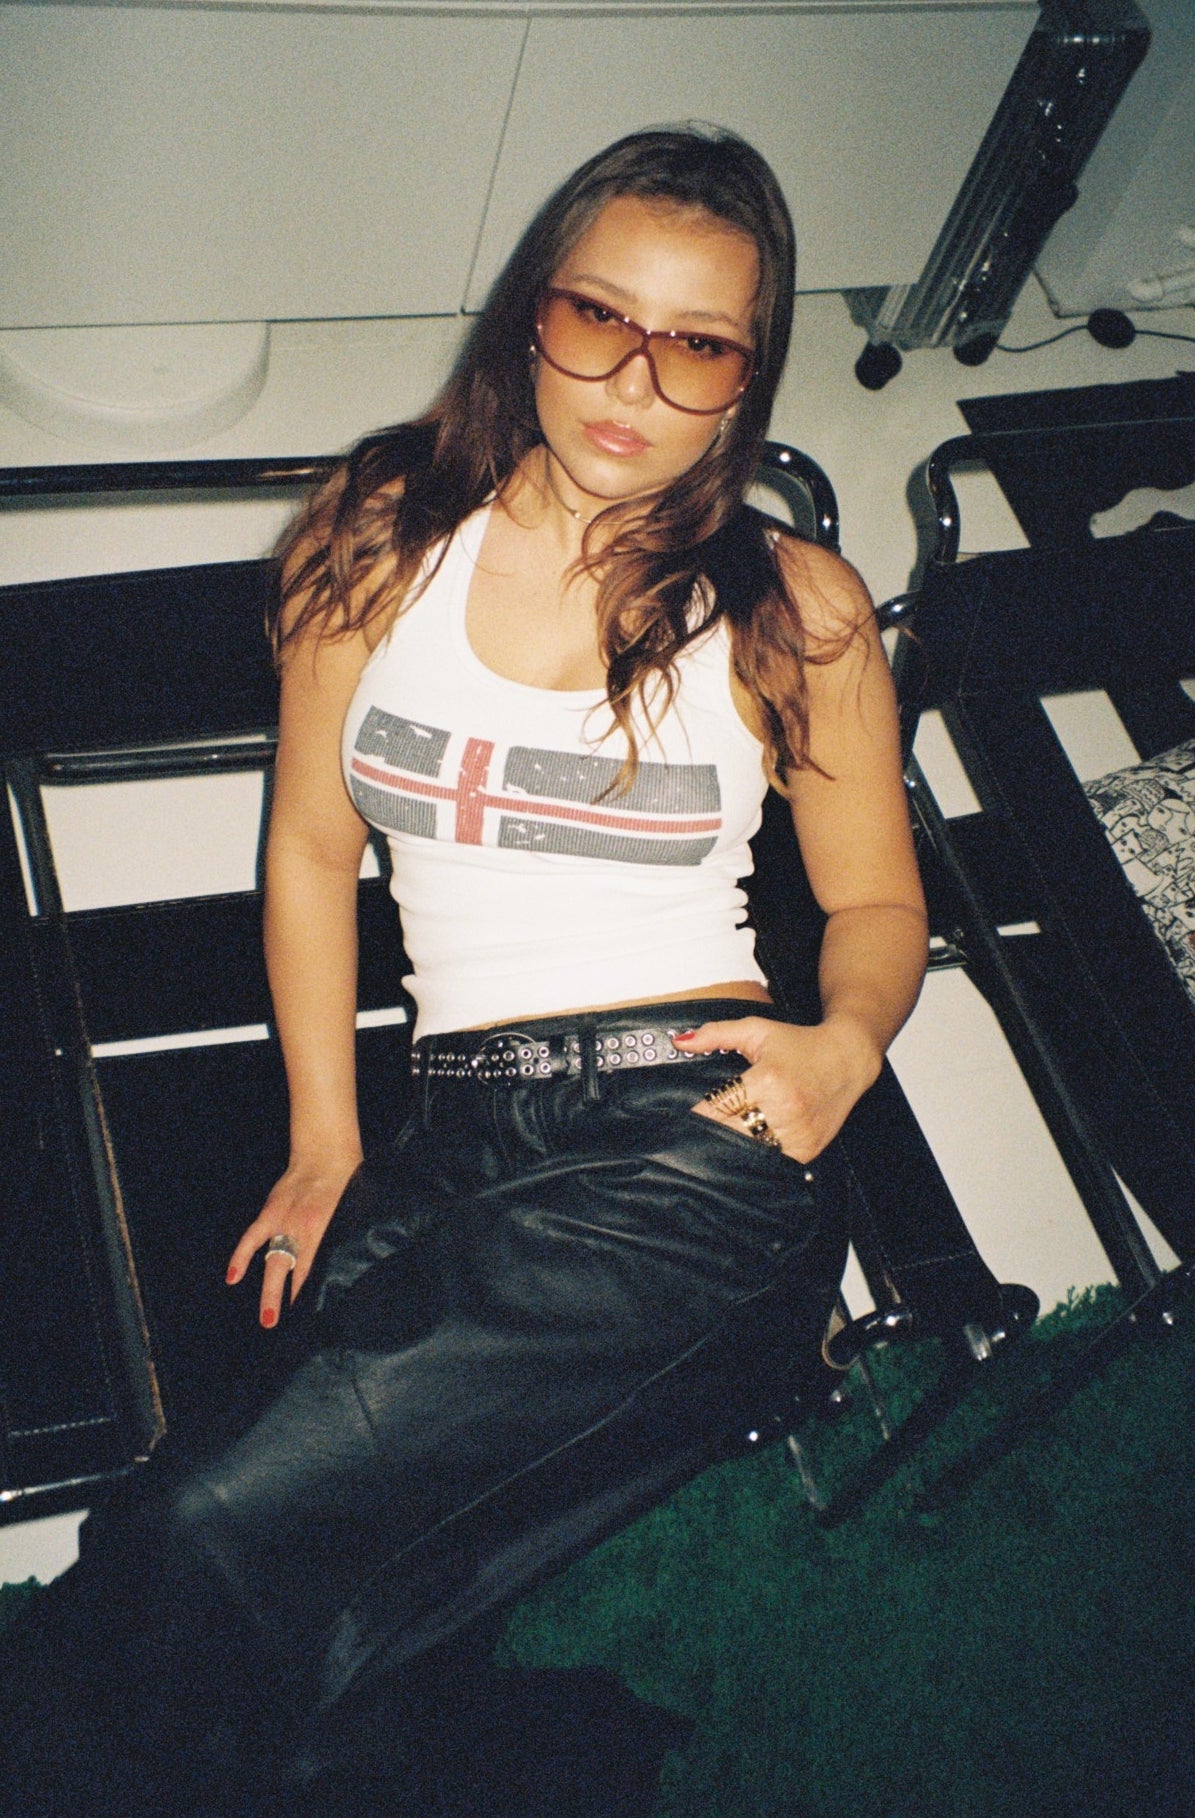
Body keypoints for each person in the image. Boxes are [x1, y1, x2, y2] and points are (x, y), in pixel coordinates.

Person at [0, 124, 926, 1816]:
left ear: (747, 379)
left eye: (699, 343)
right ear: (532, 313)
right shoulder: (380, 538)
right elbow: (309, 848)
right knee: (273, 1557)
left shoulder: (795, 606)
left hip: (692, 1147)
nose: (634, 377)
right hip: (456, 1132)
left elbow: (875, 902)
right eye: (600, 315)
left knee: (207, 1520)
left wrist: (846, 1041)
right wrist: (325, 1141)